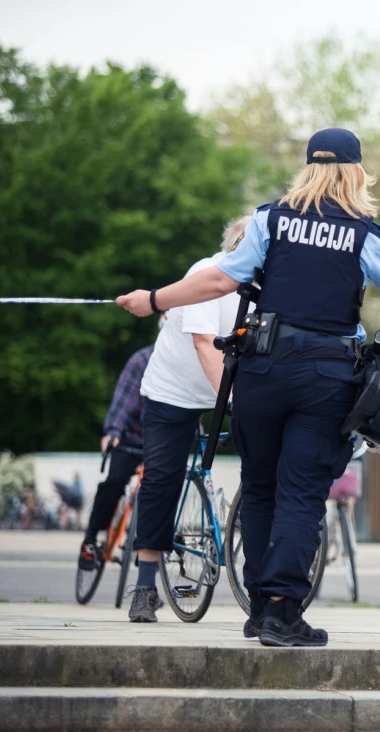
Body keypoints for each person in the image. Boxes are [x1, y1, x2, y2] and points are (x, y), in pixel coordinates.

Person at [118, 128, 380, 646]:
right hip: (323, 376)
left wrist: (154, 299)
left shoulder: (269, 220)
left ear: (308, 168)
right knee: (301, 492)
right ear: (356, 173)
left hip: (261, 369)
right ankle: (282, 612)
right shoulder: (365, 234)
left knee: (261, 486)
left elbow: (220, 278)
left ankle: (258, 609)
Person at [112, 215, 252, 623]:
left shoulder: (271, 285)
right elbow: (205, 345)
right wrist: (234, 401)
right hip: (173, 390)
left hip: (227, 386)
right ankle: (144, 585)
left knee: (264, 460)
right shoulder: (206, 275)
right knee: (161, 476)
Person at [77, 342, 153, 570]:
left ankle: (152, 544)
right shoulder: (141, 361)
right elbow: (123, 403)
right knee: (114, 482)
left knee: (167, 487)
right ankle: (90, 540)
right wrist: (113, 432)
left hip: (161, 441)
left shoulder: (189, 361)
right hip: (131, 438)